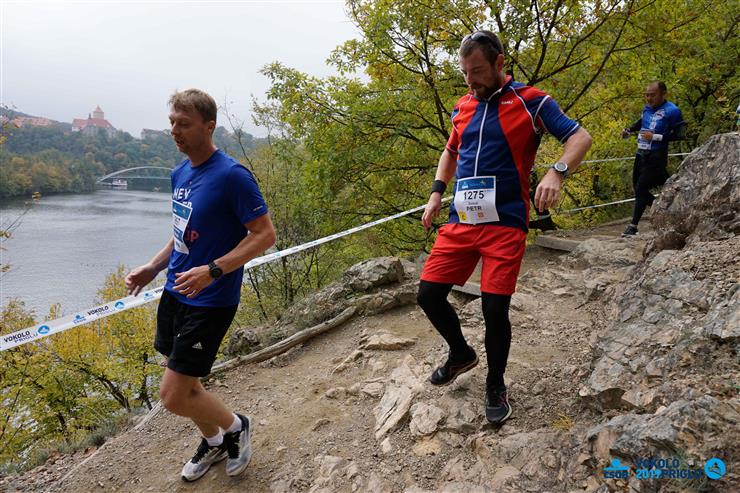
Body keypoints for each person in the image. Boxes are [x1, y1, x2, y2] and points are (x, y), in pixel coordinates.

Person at [417, 31, 592, 425]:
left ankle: (495, 384)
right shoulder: (463, 106)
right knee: (428, 295)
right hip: (462, 220)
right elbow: (451, 150)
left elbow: (580, 137)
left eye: (477, 71)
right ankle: (461, 354)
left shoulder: (532, 101)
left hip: (505, 223)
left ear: (499, 63)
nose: (470, 81)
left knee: (495, 309)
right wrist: (436, 193)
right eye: (465, 73)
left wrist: (557, 172)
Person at [125, 89, 276, 482]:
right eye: (172, 122)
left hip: (211, 300)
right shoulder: (180, 173)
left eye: (184, 124)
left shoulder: (232, 176)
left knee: (173, 395)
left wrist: (214, 270)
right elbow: (182, 233)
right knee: (187, 384)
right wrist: (153, 267)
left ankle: (236, 426)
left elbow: (264, 235)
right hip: (175, 292)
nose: (175, 131)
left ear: (209, 127)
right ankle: (213, 441)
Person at [620, 81, 684, 236]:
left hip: (657, 155)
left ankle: (633, 226)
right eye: (647, 95)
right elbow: (642, 122)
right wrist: (629, 130)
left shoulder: (673, 111)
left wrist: (655, 137)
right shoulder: (647, 108)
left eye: (652, 95)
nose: (649, 98)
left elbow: (680, 135)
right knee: (639, 188)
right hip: (641, 153)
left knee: (641, 188)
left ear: (663, 94)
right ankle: (664, 210)